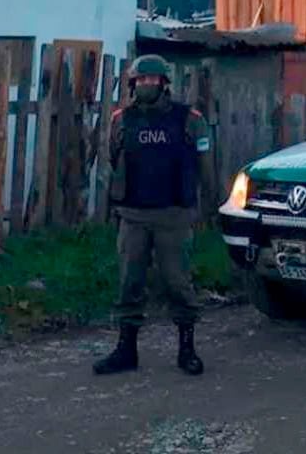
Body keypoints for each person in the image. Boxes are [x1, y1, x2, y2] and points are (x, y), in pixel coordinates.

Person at [93, 55, 214, 377]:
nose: (147, 84)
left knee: (178, 282)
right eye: (141, 80)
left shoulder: (189, 118)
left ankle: (186, 349)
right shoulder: (122, 119)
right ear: (133, 83)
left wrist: (207, 208)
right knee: (129, 282)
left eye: (153, 80)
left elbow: (205, 166)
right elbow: (112, 159)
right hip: (133, 213)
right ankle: (126, 350)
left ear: (164, 83)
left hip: (174, 213)